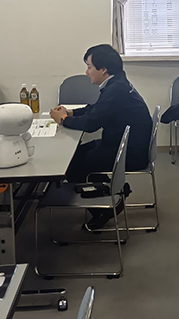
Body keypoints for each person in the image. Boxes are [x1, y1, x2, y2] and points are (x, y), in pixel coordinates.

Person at [49, 44, 152, 230]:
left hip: (129, 153)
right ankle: (112, 190)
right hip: (121, 145)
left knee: (71, 166)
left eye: (89, 67)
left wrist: (63, 120)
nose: (86, 72)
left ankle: (104, 209)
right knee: (77, 155)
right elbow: (97, 110)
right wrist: (71, 113)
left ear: (103, 69)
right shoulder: (117, 83)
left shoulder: (116, 89)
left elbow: (91, 124)